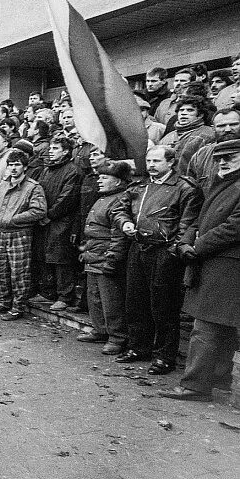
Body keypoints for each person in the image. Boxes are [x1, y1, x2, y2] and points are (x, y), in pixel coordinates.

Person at [161, 140, 240, 401]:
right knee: (220, 326)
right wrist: (186, 241)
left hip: (227, 263)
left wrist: (196, 245)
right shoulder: (222, 182)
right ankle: (219, 380)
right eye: (220, 158)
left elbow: (234, 227)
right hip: (215, 261)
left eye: (232, 156)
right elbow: (200, 218)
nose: (224, 162)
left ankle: (194, 386)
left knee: (205, 326)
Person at [112, 146, 202, 375]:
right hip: (138, 247)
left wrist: (174, 251)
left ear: (170, 163)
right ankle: (138, 347)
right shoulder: (140, 186)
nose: (151, 165)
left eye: (156, 161)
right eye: (149, 160)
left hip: (164, 253)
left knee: (163, 306)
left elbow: (189, 223)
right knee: (135, 300)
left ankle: (164, 357)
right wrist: (125, 224)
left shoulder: (184, 188)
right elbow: (119, 209)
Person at [76, 162, 132, 355]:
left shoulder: (119, 200)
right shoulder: (104, 198)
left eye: (104, 177)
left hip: (106, 254)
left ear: (117, 182)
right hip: (94, 253)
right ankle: (100, 330)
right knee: (95, 297)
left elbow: (118, 235)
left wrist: (113, 259)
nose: (99, 180)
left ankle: (117, 337)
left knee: (111, 300)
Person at [0, 150, 48, 321]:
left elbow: (39, 210)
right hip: (2, 232)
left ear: (25, 167)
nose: (13, 168)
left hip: (20, 233)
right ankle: (3, 302)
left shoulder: (33, 187)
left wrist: (13, 219)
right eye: (11, 165)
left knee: (19, 273)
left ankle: (18, 307)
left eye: (17, 165)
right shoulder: (4, 184)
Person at [33, 135, 82, 311]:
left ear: (66, 152)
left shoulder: (72, 171)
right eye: (51, 148)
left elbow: (67, 198)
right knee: (45, 256)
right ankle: (47, 291)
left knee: (61, 259)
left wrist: (50, 215)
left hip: (62, 222)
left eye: (55, 149)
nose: (50, 152)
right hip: (45, 219)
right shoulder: (47, 170)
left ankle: (65, 296)